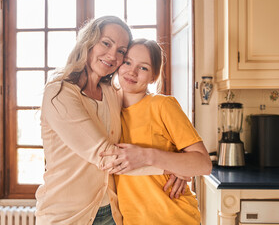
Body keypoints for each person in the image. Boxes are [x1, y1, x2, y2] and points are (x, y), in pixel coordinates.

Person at [35, 16, 167, 225]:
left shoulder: (112, 94)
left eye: (121, 51)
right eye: (106, 43)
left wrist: (177, 162)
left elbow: (144, 125)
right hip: (67, 216)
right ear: (88, 42)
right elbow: (105, 155)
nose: (113, 55)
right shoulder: (59, 93)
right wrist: (171, 167)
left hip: (112, 212)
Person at [100, 39, 212, 224]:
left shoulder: (163, 106)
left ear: (154, 76)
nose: (132, 72)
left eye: (143, 68)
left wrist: (147, 155)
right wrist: (174, 167)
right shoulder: (107, 108)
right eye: (127, 62)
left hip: (175, 218)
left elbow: (203, 164)